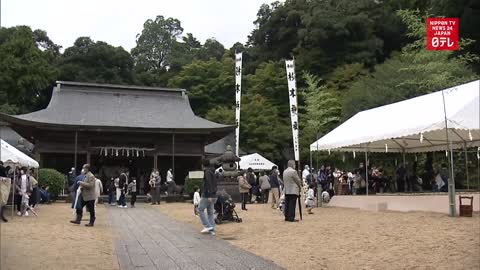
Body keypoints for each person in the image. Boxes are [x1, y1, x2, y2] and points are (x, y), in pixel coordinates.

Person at [198, 159, 218, 235]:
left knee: (200, 209)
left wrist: (209, 194)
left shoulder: (207, 172)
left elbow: (208, 184)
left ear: (202, 165)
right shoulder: (213, 172)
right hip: (214, 195)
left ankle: (207, 226)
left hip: (208, 195)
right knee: (210, 212)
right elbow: (214, 184)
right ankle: (212, 229)